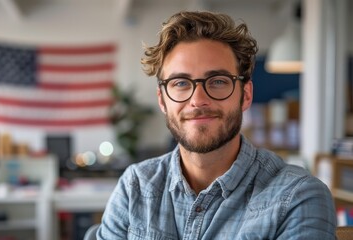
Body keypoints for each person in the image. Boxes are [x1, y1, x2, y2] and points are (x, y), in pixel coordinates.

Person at [97, 11, 336, 239]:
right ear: (162, 99)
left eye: (218, 81)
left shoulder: (298, 197)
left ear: (246, 95)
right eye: (181, 83)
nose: (198, 100)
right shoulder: (135, 187)